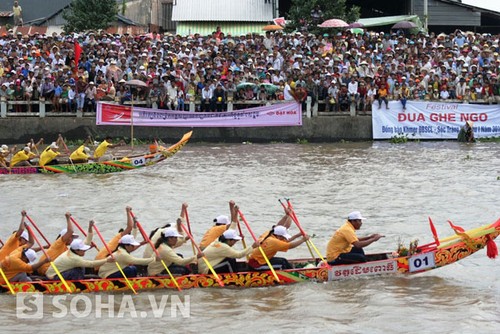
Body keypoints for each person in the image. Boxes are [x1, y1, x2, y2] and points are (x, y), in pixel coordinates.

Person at [45, 239, 113, 280]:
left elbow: (87, 242)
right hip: (53, 277)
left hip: (54, 273)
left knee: (82, 266)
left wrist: (90, 228)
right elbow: (91, 264)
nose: (84, 251)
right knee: (78, 270)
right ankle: (79, 282)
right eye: (83, 250)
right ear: (77, 250)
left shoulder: (71, 251)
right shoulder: (74, 258)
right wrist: (106, 260)